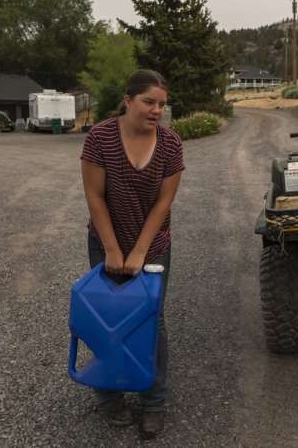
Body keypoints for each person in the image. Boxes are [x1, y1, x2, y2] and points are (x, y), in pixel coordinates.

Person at [80, 69, 184, 439]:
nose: (156, 110)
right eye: (148, 101)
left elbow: (164, 203)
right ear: (128, 100)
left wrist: (140, 251)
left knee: (151, 322)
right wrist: (111, 248)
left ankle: (154, 401)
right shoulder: (100, 138)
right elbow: (94, 197)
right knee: (108, 319)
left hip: (153, 246)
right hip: (106, 241)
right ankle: (109, 397)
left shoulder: (170, 144)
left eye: (161, 104)